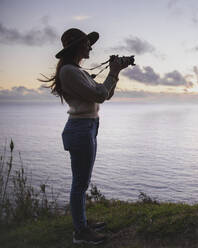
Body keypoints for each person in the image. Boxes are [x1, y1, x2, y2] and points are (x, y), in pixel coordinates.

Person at [41, 28, 130, 245]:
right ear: (78, 47)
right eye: (87, 43)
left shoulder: (76, 71)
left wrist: (116, 73)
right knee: (80, 184)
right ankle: (80, 232)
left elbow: (104, 94)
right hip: (80, 128)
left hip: (88, 126)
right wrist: (113, 72)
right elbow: (100, 95)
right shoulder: (69, 72)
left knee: (83, 181)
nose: (91, 47)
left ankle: (82, 224)